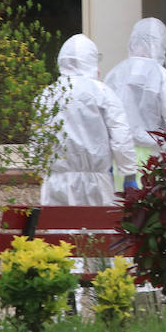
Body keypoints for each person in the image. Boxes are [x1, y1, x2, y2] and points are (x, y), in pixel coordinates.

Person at [37, 33, 138, 206]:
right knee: (95, 230)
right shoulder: (103, 93)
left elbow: (39, 142)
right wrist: (128, 172)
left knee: (59, 229)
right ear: (91, 61)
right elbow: (121, 136)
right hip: (96, 184)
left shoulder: (47, 95)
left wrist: (44, 170)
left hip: (56, 183)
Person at [103, 17, 166, 174]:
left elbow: (104, 116)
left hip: (120, 156)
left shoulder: (115, 73)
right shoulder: (161, 76)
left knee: (121, 197)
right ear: (161, 44)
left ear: (133, 40)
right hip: (154, 158)